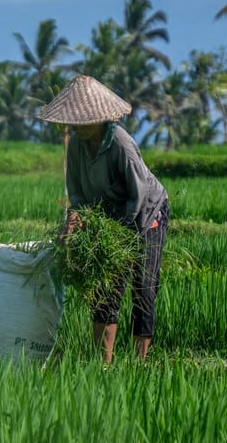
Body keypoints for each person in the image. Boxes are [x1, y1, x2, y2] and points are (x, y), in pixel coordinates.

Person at [38, 75, 169, 364]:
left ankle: (139, 363)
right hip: (108, 217)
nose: (78, 126)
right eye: (74, 121)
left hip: (147, 213)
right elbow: (77, 193)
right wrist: (77, 218)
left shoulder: (121, 143)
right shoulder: (75, 146)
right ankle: (103, 363)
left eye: (83, 121)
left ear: (99, 119)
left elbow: (139, 194)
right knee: (103, 287)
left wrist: (120, 233)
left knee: (143, 288)